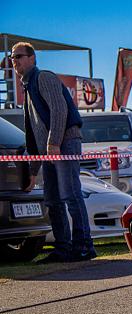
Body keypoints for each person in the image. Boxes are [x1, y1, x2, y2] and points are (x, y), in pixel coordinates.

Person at [11, 42, 95, 263]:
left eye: (19, 56)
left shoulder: (44, 78)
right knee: (52, 199)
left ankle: (84, 247)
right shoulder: (27, 88)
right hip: (49, 148)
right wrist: (33, 169)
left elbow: (60, 109)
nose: (14, 61)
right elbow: (32, 133)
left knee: (70, 194)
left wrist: (54, 143)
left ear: (32, 58)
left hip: (64, 143)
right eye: (12, 58)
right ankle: (63, 249)